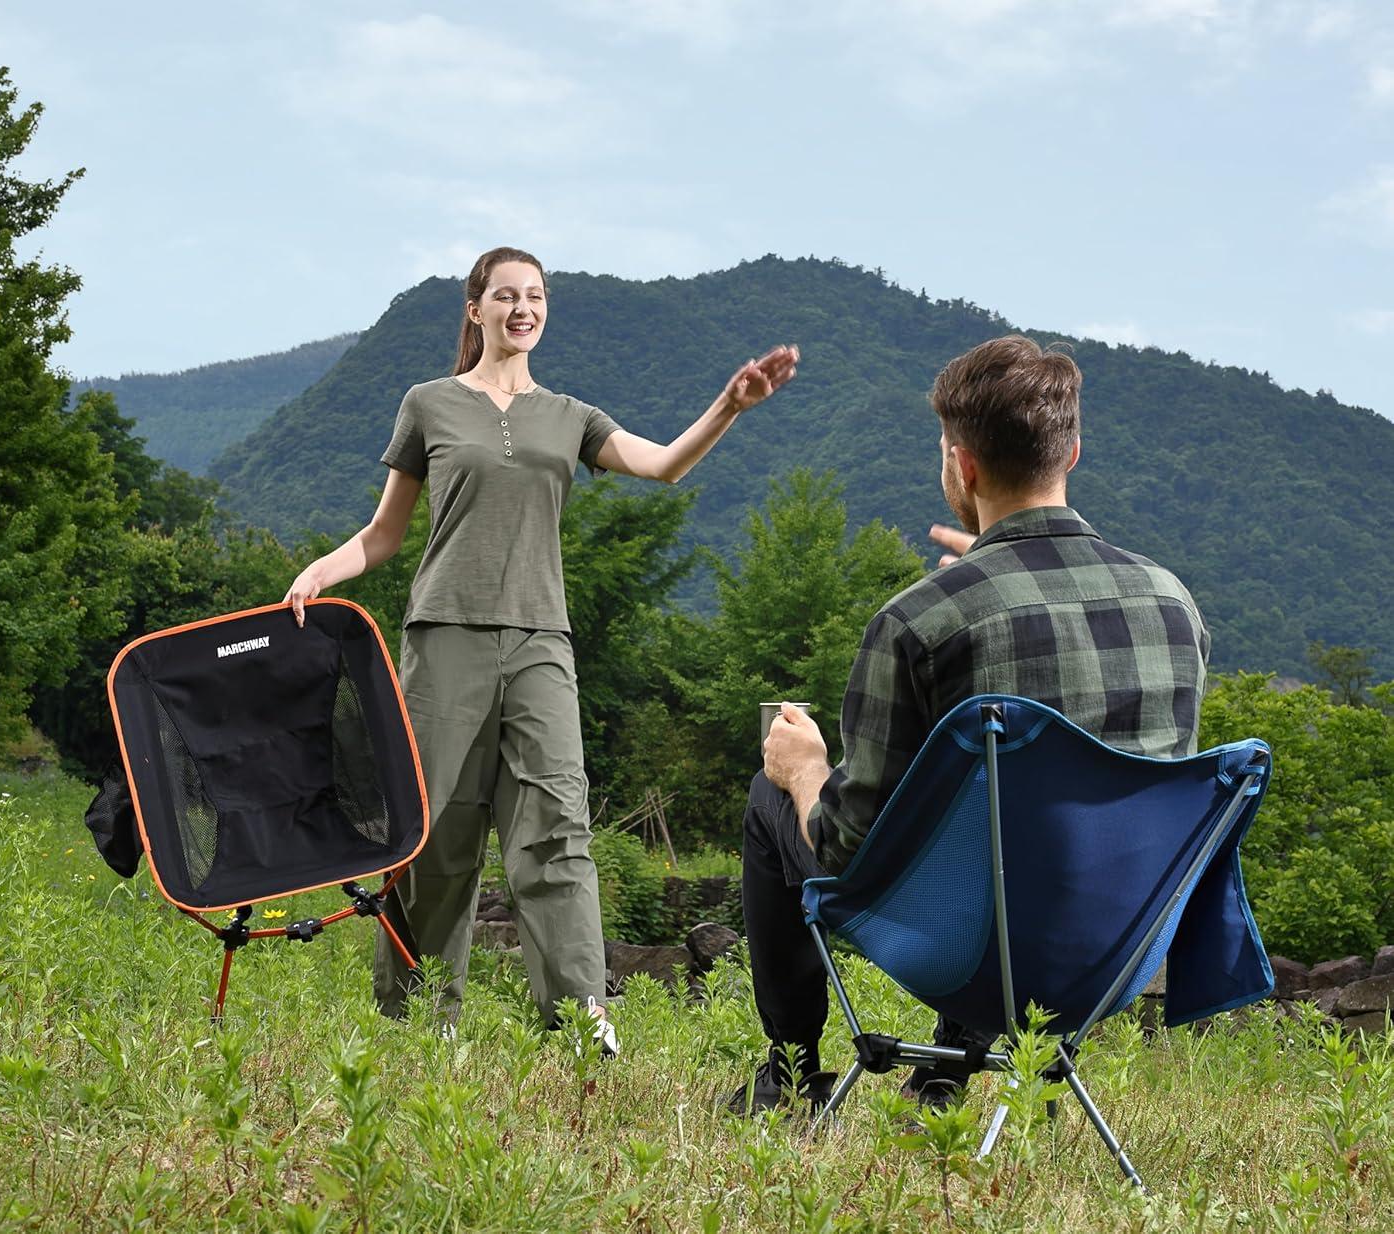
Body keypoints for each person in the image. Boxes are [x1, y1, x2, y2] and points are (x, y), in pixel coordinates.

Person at [284, 246, 798, 1053]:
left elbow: (662, 466)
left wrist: (731, 403)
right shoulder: (429, 404)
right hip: (445, 635)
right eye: (506, 296)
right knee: (434, 835)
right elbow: (385, 533)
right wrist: (322, 569)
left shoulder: (570, 415)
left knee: (557, 823)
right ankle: (419, 1022)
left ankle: (578, 1010)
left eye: (535, 296)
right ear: (475, 309)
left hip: (541, 642)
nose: (522, 308)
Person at [725, 334, 1210, 1115]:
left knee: (769, 792)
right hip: (1120, 949)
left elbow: (847, 845)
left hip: (971, 950)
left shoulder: (921, 619)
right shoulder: (1173, 604)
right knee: (1008, 828)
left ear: (964, 464)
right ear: (1073, 453)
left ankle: (789, 1074)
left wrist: (805, 769)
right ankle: (947, 1072)